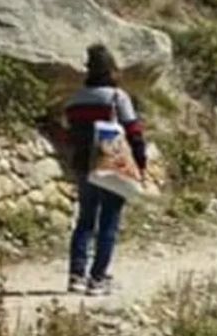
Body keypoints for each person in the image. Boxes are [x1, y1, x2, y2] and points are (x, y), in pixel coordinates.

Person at [64, 44, 147, 296]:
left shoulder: (75, 99)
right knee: (109, 221)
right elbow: (133, 132)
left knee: (85, 220)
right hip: (111, 165)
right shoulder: (117, 97)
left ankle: (76, 275)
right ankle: (98, 278)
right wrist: (140, 163)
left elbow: (70, 133)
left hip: (83, 164)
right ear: (110, 70)